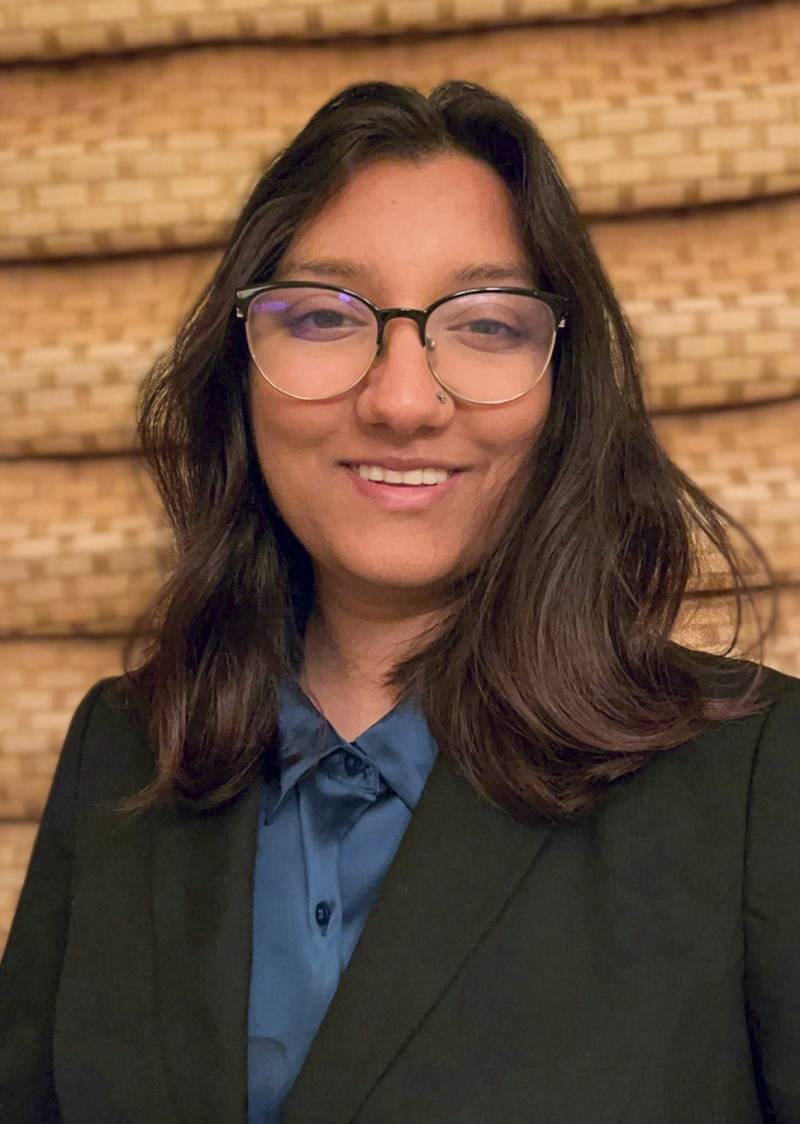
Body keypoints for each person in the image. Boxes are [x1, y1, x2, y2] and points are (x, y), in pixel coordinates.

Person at [1, 79, 798, 1124]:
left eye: (486, 325)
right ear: (235, 373)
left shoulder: (757, 777)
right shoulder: (123, 746)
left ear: (565, 391)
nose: (402, 399)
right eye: (326, 316)